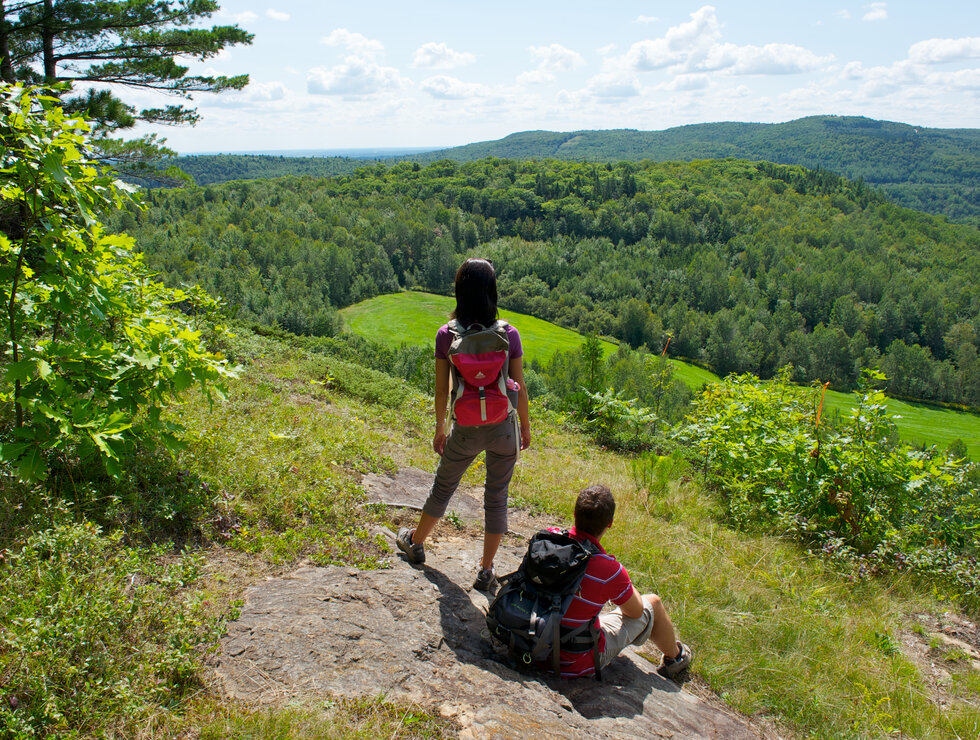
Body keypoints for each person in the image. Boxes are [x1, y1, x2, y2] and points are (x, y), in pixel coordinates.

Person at [397, 258, 531, 591]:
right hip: (504, 427)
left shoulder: (446, 335)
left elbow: (441, 389)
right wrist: (525, 427)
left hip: (466, 428)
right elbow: (520, 386)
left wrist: (440, 428)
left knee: (443, 487)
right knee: (497, 497)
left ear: (460, 291)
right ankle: (485, 570)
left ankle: (416, 543)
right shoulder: (509, 334)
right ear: (492, 291)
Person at [545, 484, 692, 679]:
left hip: (531, 643)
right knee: (653, 603)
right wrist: (623, 583)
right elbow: (636, 612)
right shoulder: (608, 570)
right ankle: (676, 658)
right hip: (572, 662)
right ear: (610, 523)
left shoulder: (548, 539)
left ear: (574, 513)